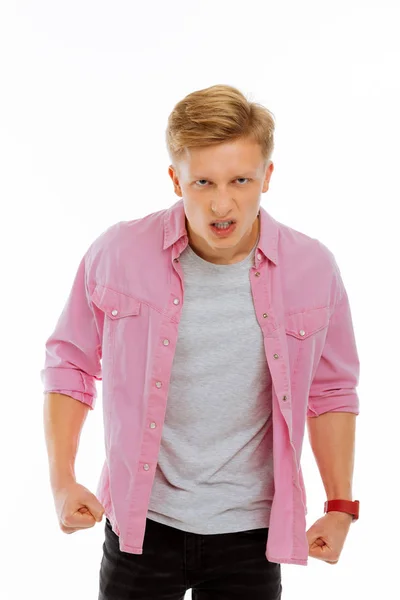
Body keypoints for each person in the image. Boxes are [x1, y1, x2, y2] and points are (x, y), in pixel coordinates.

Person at [42, 84, 360, 600]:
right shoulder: (118, 252)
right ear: (175, 180)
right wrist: (62, 482)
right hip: (141, 527)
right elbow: (69, 367)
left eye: (240, 180)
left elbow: (332, 393)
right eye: (202, 182)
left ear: (268, 177)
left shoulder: (312, 267)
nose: (221, 203)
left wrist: (340, 505)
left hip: (252, 534)